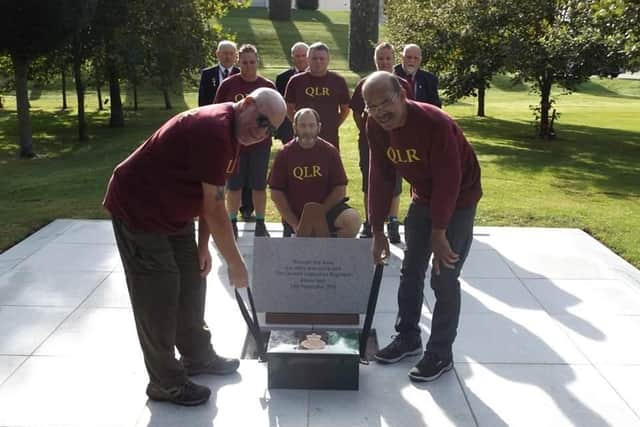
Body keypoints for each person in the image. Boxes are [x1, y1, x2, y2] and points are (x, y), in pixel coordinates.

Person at [103, 87, 286, 406]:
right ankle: (165, 382)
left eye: (271, 130)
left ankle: (197, 357)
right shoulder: (214, 129)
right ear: (246, 103)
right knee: (159, 291)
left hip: (175, 210)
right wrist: (235, 263)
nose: (263, 133)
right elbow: (216, 209)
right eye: (261, 122)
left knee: (191, 280)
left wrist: (202, 248)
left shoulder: (235, 133)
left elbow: (210, 196)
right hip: (139, 207)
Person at [362, 71, 481, 382]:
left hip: (459, 200)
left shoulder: (435, 124)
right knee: (411, 269)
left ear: (402, 94)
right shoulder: (375, 125)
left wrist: (439, 231)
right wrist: (376, 231)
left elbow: (449, 180)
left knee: (444, 277)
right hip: (424, 197)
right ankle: (408, 338)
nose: (380, 112)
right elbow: (381, 176)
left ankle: (441, 353)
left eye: (385, 102)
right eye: (371, 107)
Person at [350, 42, 412, 243]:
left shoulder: (402, 85)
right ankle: (370, 221)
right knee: (370, 180)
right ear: (375, 60)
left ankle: (393, 222)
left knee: (395, 181)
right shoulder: (364, 84)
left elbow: (410, 113)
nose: (384, 62)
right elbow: (356, 113)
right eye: (380, 58)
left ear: (394, 60)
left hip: (397, 141)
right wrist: (368, 131)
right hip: (370, 143)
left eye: (388, 58)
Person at [215, 44, 276, 239]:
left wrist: (265, 132)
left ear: (257, 62)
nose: (248, 66)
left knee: (259, 185)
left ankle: (260, 222)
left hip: (260, 145)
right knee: (234, 186)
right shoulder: (229, 85)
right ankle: (231, 222)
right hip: (235, 146)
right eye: (244, 62)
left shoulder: (267, 86)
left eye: (252, 62)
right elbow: (218, 112)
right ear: (238, 62)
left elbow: (276, 115)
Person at [268, 108, 360, 238]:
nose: (307, 130)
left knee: (352, 220)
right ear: (295, 127)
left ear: (319, 127)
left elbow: (340, 190)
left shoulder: (330, 151)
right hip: (296, 215)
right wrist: (296, 225)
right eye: (303, 126)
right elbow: (276, 193)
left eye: (311, 126)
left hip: (326, 211)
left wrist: (317, 216)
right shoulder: (284, 154)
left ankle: (328, 246)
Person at [284, 42, 350, 150]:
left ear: (328, 60)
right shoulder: (296, 81)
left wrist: (333, 125)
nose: (318, 62)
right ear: (308, 59)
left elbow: (345, 110)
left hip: (330, 138)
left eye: (322, 58)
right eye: (314, 58)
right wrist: (300, 125)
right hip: (303, 138)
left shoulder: (338, 81)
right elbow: (288, 107)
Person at [275, 42, 309, 145]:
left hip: (311, 124)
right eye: (297, 56)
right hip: (289, 127)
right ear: (292, 57)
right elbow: (280, 105)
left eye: (304, 55)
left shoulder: (319, 77)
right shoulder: (282, 78)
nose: (301, 59)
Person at [394, 44, 441, 108]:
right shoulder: (392, 76)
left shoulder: (430, 80)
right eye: (409, 57)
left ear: (420, 60)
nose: (412, 61)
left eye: (416, 58)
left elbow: (436, 108)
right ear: (402, 58)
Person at [197, 40, 239, 107]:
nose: (228, 57)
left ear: (236, 55)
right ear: (217, 54)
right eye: (225, 53)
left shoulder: (240, 74)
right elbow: (202, 100)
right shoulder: (207, 74)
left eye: (231, 53)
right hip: (213, 113)